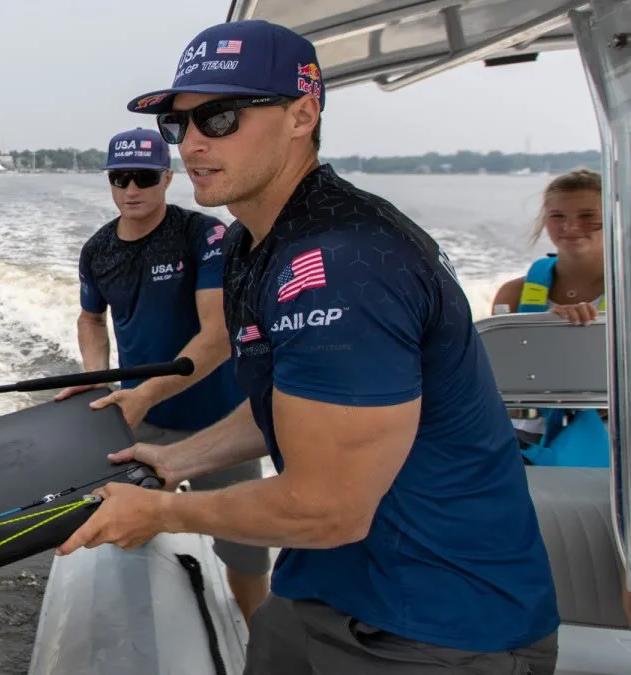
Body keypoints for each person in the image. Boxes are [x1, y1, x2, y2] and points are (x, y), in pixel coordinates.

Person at [58, 19, 560, 674]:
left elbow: (330, 506)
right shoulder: (248, 245)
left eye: (222, 116)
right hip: (316, 589)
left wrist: (161, 510)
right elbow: (285, 392)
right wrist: (175, 455)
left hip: (441, 620)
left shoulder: (346, 262)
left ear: (303, 114)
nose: (193, 144)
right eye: (178, 126)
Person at [54, 126, 270, 622]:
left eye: (145, 177)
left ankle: (259, 638)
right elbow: (91, 319)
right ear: (110, 181)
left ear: (167, 178)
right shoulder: (97, 251)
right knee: (126, 531)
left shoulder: (205, 236)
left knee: (246, 556)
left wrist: (144, 394)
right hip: (140, 419)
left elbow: (217, 336)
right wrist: (96, 374)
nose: (132, 189)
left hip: (218, 423)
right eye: (121, 177)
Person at [492, 169, 609, 468]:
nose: (571, 226)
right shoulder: (513, 294)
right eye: (558, 216)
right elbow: (497, 374)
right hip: (527, 436)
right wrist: (547, 326)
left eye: (587, 216)